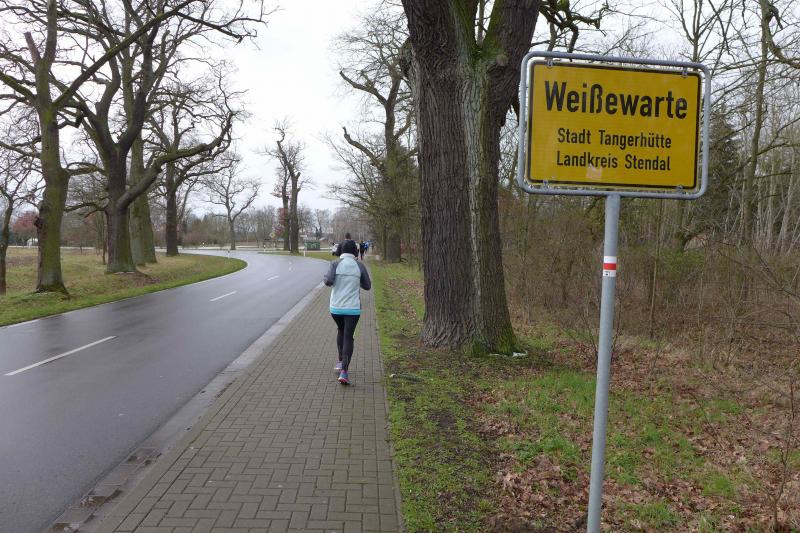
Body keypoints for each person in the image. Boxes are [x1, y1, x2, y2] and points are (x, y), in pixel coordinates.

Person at [323, 240, 371, 385]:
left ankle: (340, 361)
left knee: (340, 330)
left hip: (336, 308)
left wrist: (329, 278)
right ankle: (344, 371)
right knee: (348, 337)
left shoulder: (335, 264)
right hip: (353, 309)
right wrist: (356, 280)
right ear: (355, 251)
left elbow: (328, 281)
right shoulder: (359, 266)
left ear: (341, 250)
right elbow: (367, 286)